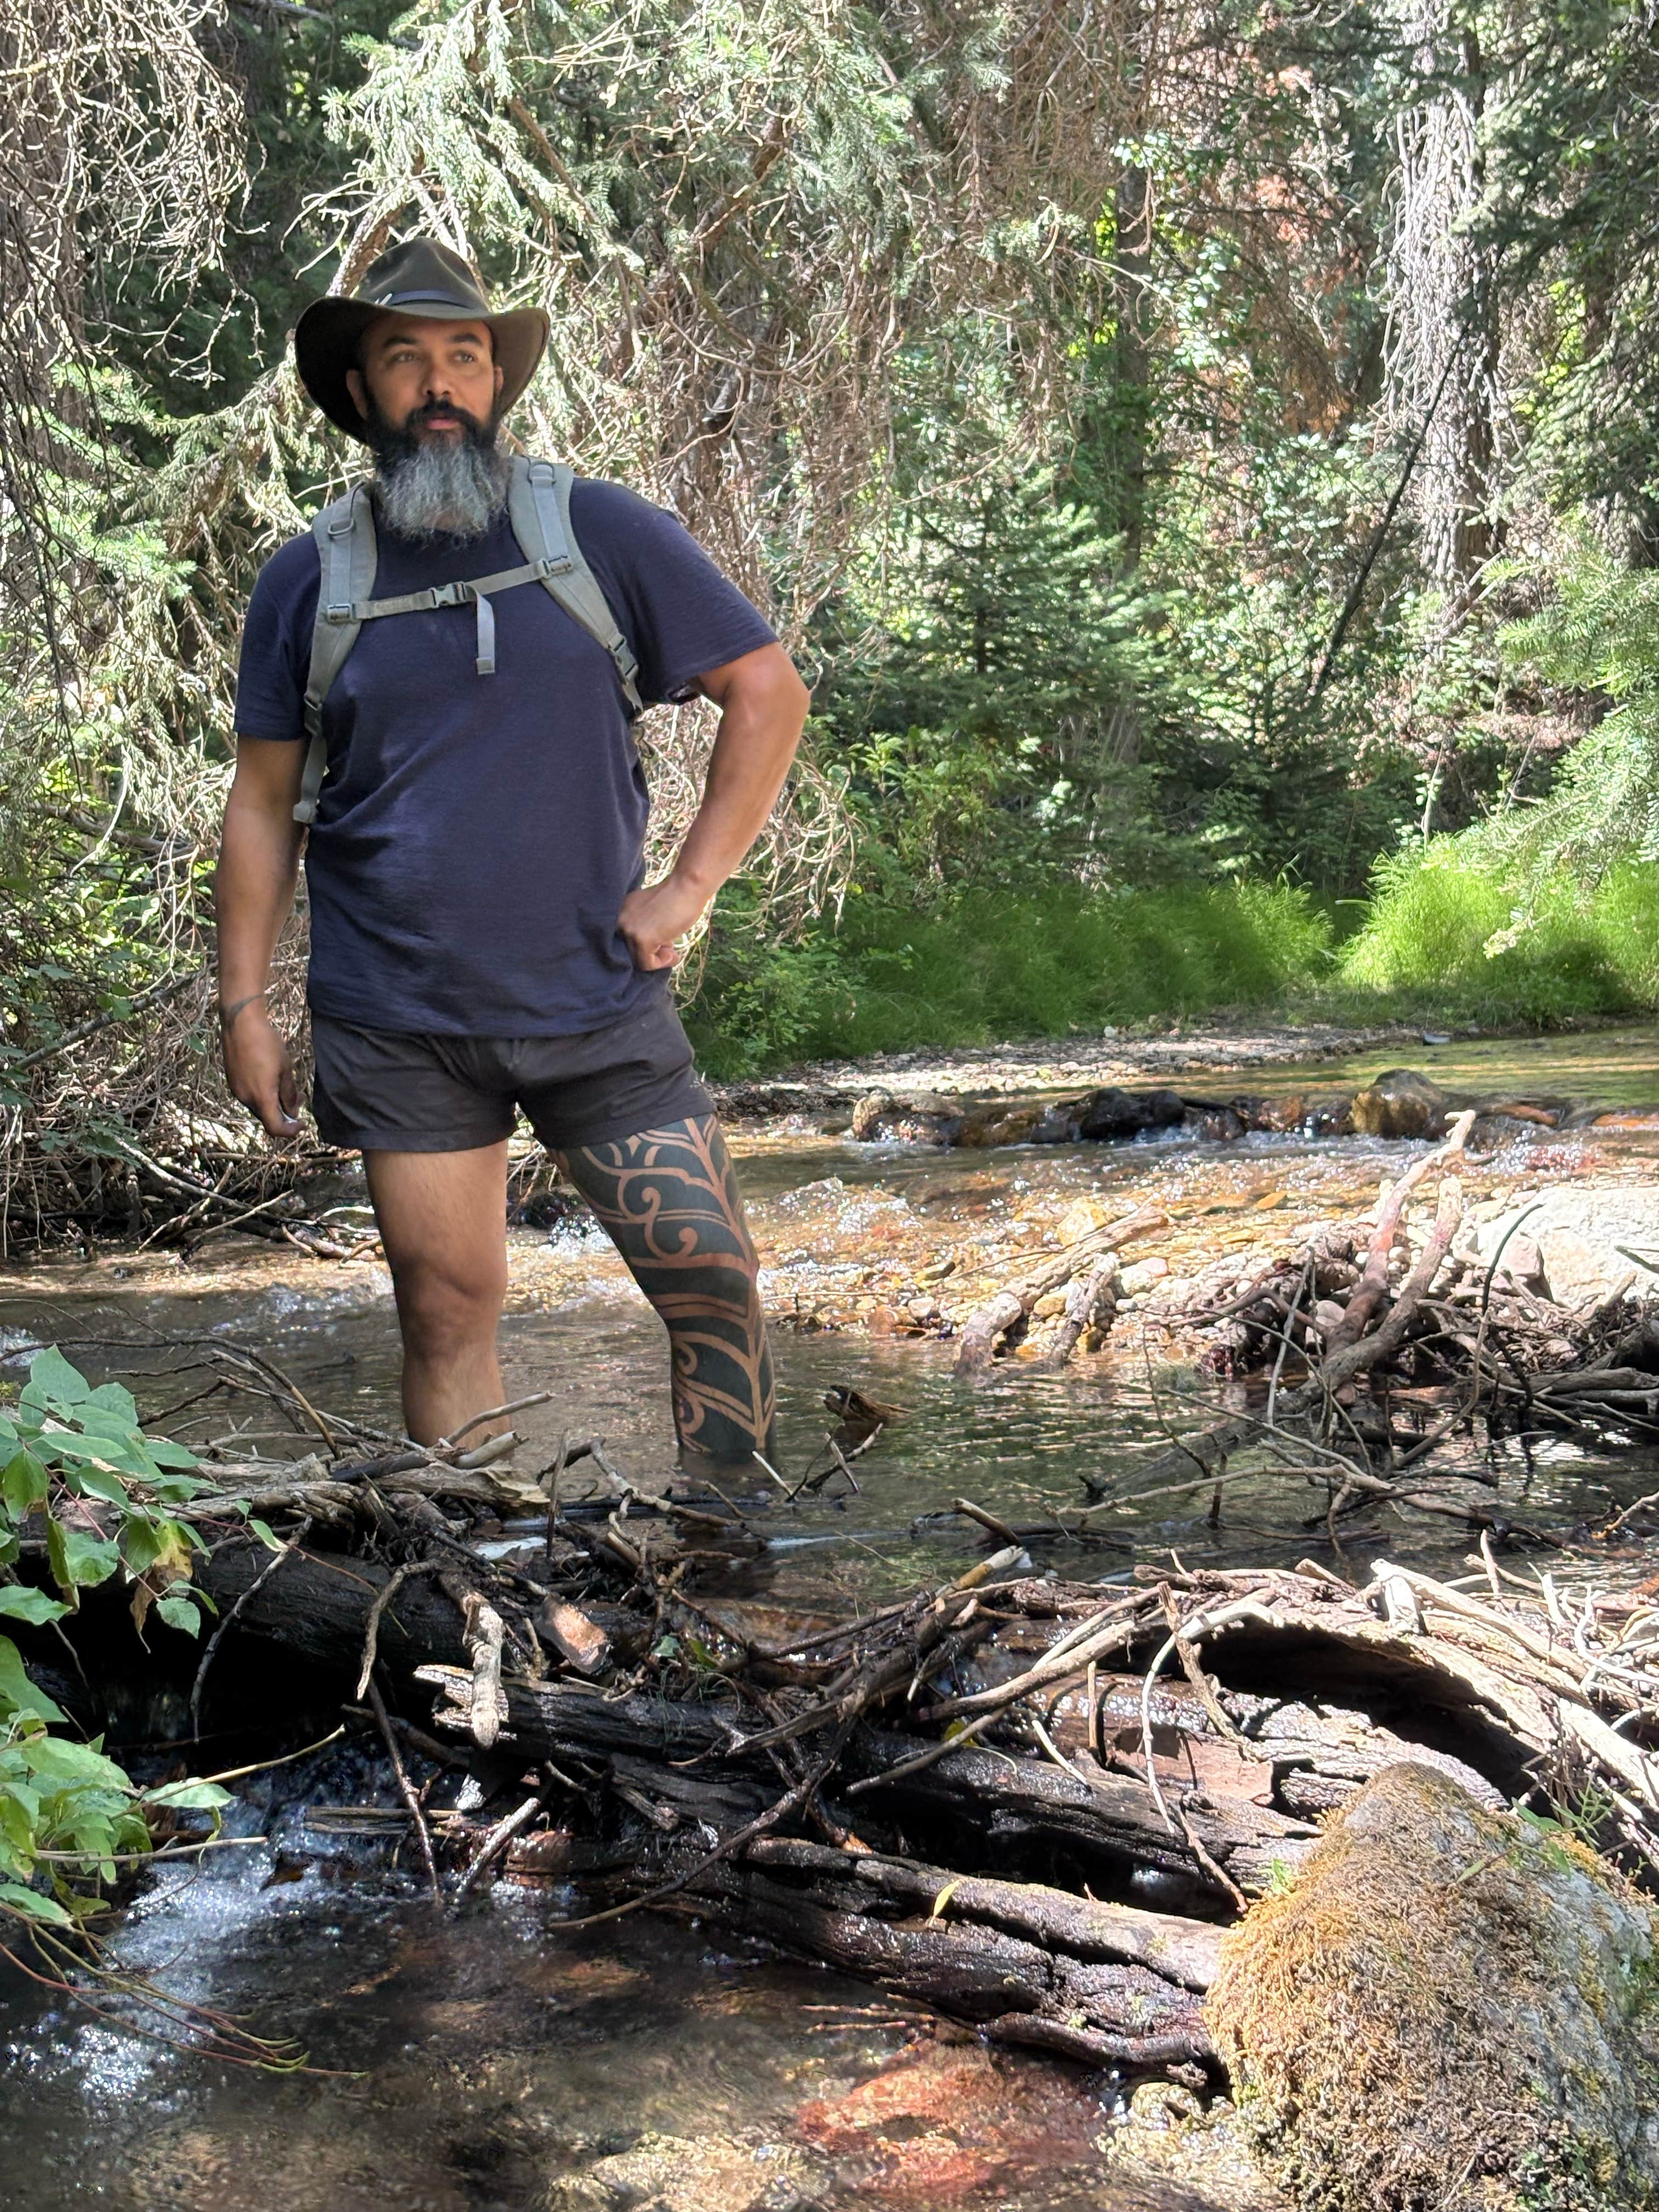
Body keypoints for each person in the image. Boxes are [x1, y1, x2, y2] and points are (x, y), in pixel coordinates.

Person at [217, 239, 809, 1463]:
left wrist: (689, 886)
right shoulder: (306, 580)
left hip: (595, 998)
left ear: (495, 382)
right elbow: (264, 805)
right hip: (400, 1017)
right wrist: (245, 1006)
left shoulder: (597, 531)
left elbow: (766, 690)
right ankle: (486, 1558)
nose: (439, 383)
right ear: (362, 390)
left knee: (711, 1280)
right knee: (444, 1313)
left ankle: (731, 1538)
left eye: (465, 356)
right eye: (406, 358)